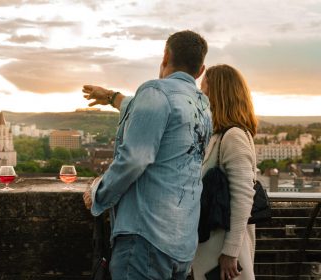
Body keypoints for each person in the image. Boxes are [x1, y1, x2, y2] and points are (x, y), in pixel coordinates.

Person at [82, 30, 212, 280]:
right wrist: (111, 97)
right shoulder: (201, 104)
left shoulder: (156, 91)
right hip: (182, 241)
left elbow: (134, 159)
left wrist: (99, 194)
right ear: (201, 70)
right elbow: (156, 114)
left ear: (165, 56)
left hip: (146, 238)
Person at [192, 64, 257, 280]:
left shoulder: (234, 136)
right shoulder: (218, 136)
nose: (201, 95)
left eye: (204, 90)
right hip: (212, 248)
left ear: (217, 94)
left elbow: (243, 198)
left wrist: (230, 252)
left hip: (223, 253)